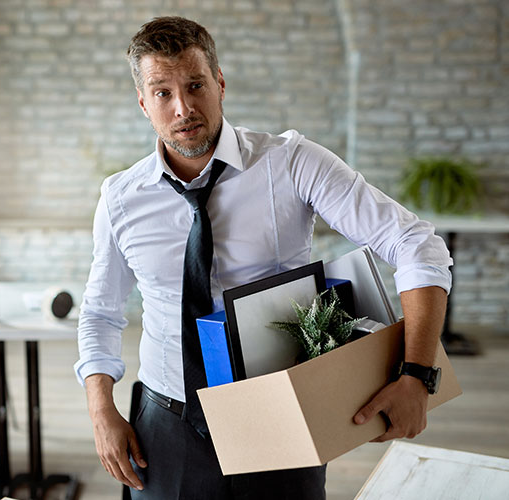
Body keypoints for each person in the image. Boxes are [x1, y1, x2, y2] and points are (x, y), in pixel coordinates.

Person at [74, 16, 451, 499]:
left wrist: (417, 375)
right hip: (167, 424)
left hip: (282, 413)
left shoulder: (292, 163)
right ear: (144, 104)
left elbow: (416, 244)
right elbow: (101, 313)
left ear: (221, 83)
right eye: (163, 93)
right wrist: (101, 412)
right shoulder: (121, 197)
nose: (184, 107)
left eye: (195, 85)